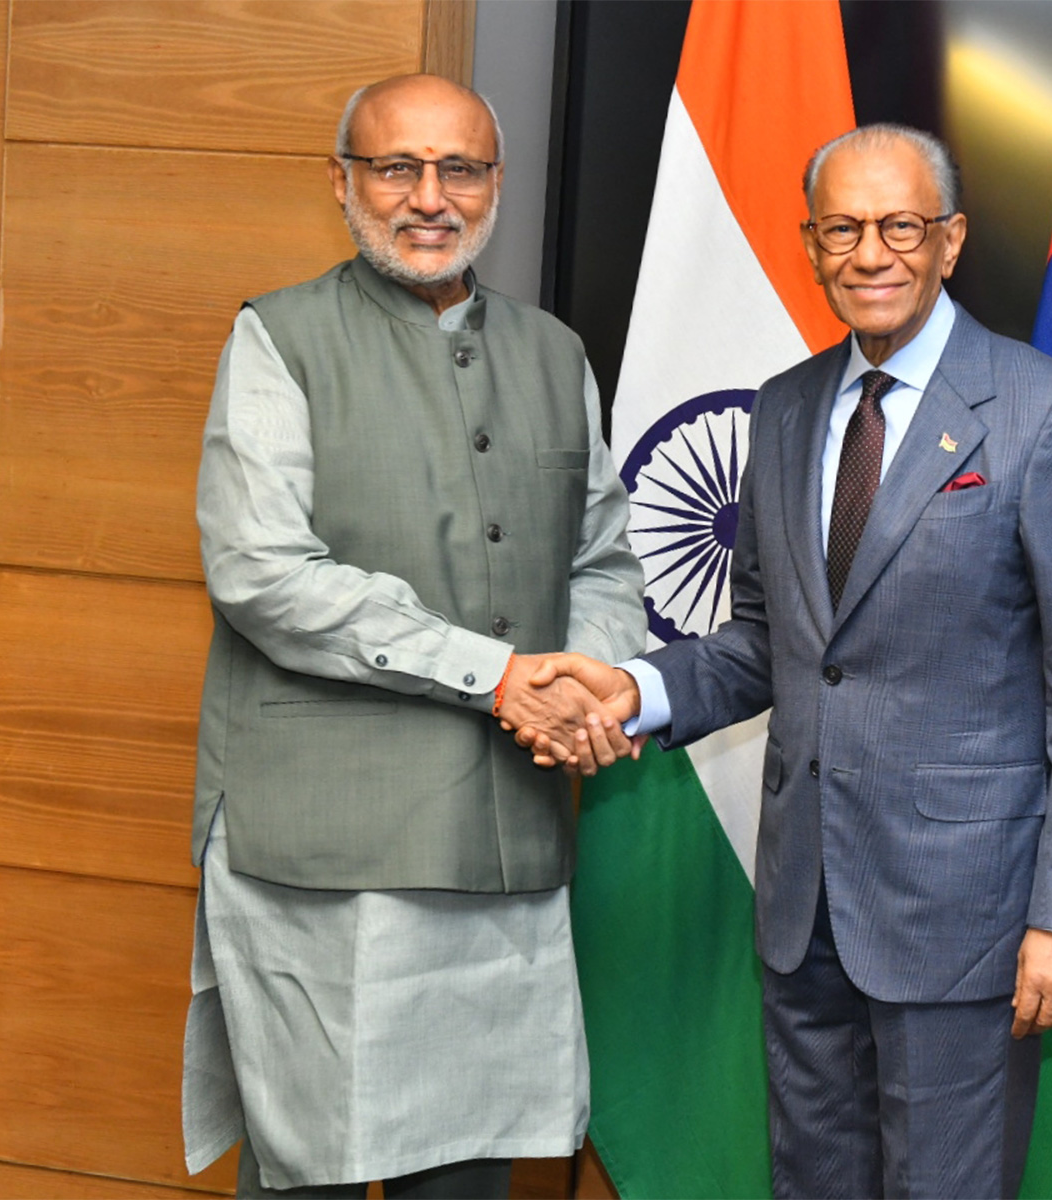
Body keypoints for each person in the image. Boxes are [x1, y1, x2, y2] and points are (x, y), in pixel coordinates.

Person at [526, 124, 1052, 1199]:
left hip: (968, 921)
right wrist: (643, 687)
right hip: (803, 903)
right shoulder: (787, 407)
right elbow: (774, 641)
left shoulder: (1042, 412)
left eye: (900, 227)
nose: (871, 255)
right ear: (808, 244)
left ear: (949, 241)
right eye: (843, 229)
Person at [180, 74, 645, 1198]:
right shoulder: (276, 338)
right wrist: (497, 676)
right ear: (342, 184)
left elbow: (600, 560)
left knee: (472, 1178)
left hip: (505, 842)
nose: (429, 197)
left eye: (461, 169)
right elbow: (263, 574)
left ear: (495, 186)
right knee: (315, 1174)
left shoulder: (553, 353)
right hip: (323, 857)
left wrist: (586, 689)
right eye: (398, 167)